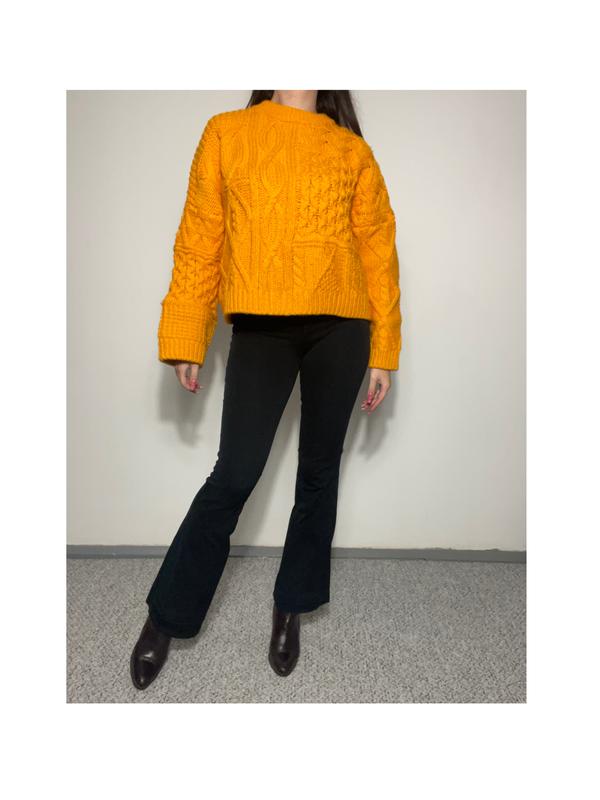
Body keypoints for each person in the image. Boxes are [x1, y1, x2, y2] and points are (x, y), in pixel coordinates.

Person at [130, 90, 402, 690]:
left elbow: (378, 250)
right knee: (235, 474)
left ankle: (290, 605)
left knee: (319, 472)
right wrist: (187, 333)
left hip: (343, 326)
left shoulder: (351, 150)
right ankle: (166, 616)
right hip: (261, 325)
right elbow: (200, 237)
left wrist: (384, 349)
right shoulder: (227, 132)